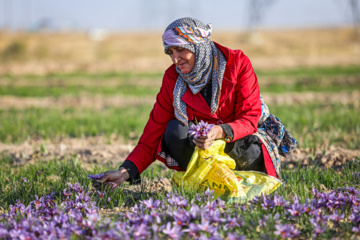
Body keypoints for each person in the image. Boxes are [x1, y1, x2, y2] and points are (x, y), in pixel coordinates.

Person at [97, 17, 297, 188]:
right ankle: (210, 183)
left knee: (248, 145)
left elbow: (250, 117)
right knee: (174, 131)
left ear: (197, 46)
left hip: (240, 141)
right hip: (205, 150)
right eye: (170, 53)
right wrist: (125, 171)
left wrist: (219, 132)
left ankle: (240, 182)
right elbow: (153, 133)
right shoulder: (172, 79)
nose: (175, 59)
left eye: (180, 50)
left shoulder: (237, 63)